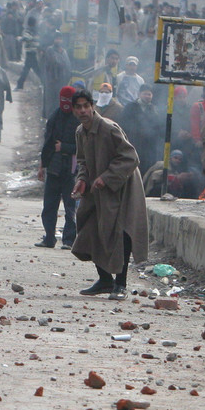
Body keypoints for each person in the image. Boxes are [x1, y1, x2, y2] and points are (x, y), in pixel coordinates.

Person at [69, 90, 148, 300]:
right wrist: (82, 180)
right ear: (74, 110)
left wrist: (107, 176)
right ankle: (104, 280)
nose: (83, 110)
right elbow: (84, 161)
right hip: (97, 188)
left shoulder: (108, 127)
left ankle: (120, 284)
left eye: (86, 106)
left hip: (123, 186)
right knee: (90, 227)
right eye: (79, 107)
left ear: (93, 106)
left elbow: (131, 157)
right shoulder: (80, 132)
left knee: (121, 232)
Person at [37, 86, 81, 249]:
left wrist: (64, 147)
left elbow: (83, 147)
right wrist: (42, 166)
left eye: (68, 100)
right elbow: (48, 143)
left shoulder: (79, 119)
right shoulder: (55, 116)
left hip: (71, 169)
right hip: (54, 167)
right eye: (63, 100)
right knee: (49, 205)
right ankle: (49, 237)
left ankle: (69, 240)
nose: (65, 104)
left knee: (70, 206)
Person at [120, 86, 162, 174]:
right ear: (139, 94)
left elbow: (158, 127)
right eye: (145, 94)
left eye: (149, 94)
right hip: (134, 143)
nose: (147, 96)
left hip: (148, 147)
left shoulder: (154, 110)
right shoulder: (130, 107)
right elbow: (123, 124)